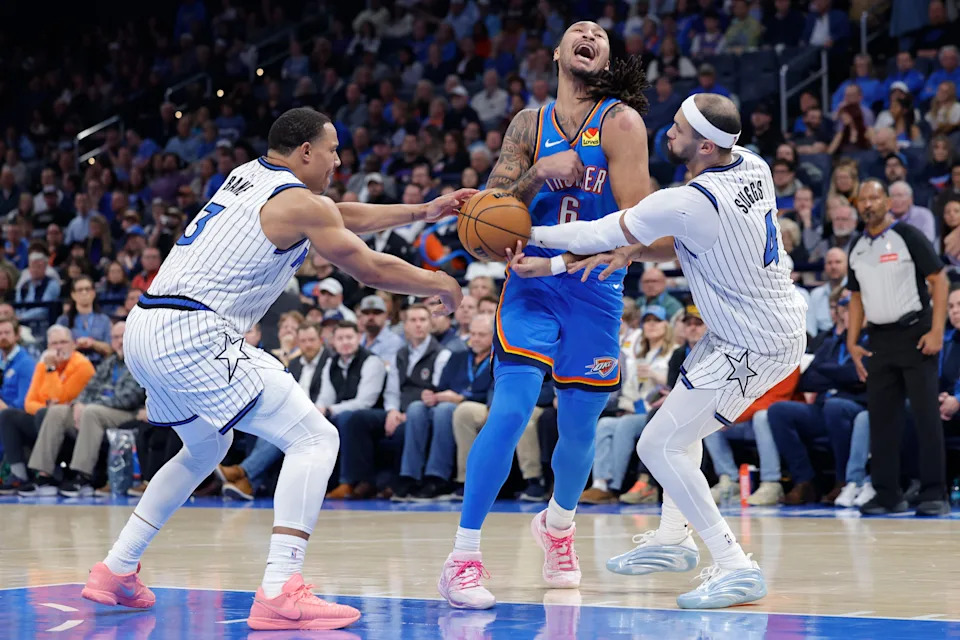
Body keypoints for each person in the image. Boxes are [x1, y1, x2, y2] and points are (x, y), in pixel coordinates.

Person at [81, 107, 471, 631]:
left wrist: (422, 210)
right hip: (193, 331)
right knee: (316, 438)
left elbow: (335, 214)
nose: (338, 161)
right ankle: (280, 588)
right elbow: (367, 266)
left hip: (146, 328)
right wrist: (439, 282)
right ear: (306, 151)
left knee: (205, 448)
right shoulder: (298, 204)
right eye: (332, 150)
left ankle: (117, 568)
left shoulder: (251, 175)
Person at [512, 93, 807, 609]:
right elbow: (666, 240)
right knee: (678, 430)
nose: (668, 133)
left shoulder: (687, 200)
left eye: (679, 129)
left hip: (753, 342)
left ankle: (735, 566)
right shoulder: (752, 164)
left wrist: (526, 233)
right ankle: (673, 538)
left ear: (706, 146)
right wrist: (577, 261)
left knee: (658, 445)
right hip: (753, 325)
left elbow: (599, 231)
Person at [435, 21, 651, 611]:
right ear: (557, 53)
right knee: (509, 412)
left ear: (605, 58)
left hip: (593, 288)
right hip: (529, 288)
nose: (589, 35)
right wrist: (538, 173)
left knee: (578, 430)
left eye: (599, 34)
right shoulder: (528, 125)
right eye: (578, 30)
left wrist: (559, 263)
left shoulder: (621, 123)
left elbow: (637, 226)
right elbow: (487, 212)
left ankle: (558, 526)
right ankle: (462, 557)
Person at [846, 180, 950, 517]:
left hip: (916, 334)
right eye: (863, 199)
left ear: (888, 202)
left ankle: (935, 491)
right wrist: (852, 341)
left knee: (926, 416)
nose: (868, 204)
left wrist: (937, 331)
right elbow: (856, 297)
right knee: (881, 420)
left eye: (875, 198)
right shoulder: (857, 246)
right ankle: (887, 494)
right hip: (878, 339)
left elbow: (940, 279)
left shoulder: (907, 235)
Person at [24, 322, 144, 497]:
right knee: (57, 412)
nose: (120, 341)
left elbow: (128, 398)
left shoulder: (140, 362)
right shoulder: (110, 363)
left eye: (123, 336)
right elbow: (89, 389)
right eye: (115, 337)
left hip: (128, 413)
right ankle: (43, 476)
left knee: (91, 412)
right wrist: (78, 404)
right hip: (100, 409)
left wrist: (88, 405)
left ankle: (83, 476)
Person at [0, 317, 37, 493]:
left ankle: (15, 475)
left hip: (16, 420)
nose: (2, 337)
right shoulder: (2, 361)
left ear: (17, 335)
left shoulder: (25, 364)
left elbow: (23, 405)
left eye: (7, 332)